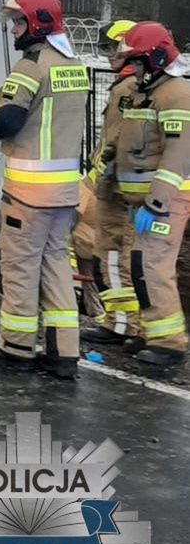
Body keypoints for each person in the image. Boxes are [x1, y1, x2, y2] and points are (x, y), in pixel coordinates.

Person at [0, 0, 88, 379]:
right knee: (55, 265)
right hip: (64, 193)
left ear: (36, 22)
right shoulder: (75, 65)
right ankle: (64, 355)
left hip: (28, 192)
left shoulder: (30, 65)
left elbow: (6, 122)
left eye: (19, 21)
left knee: (20, 266)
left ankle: (17, 347)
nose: (14, 30)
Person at [112, 21, 190, 367]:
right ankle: (150, 332)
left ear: (155, 58)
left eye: (139, 61)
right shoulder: (149, 92)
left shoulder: (176, 95)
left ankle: (170, 343)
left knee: (154, 267)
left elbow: (177, 154)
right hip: (144, 202)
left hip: (166, 202)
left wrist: (156, 203)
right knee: (141, 265)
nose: (135, 69)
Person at [80, 20, 140, 344]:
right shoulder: (135, 84)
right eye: (104, 48)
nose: (107, 55)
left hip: (119, 189)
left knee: (116, 254)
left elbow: (118, 140)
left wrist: (102, 172)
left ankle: (122, 325)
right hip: (124, 187)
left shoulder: (126, 89)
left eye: (112, 47)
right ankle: (131, 324)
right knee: (122, 256)